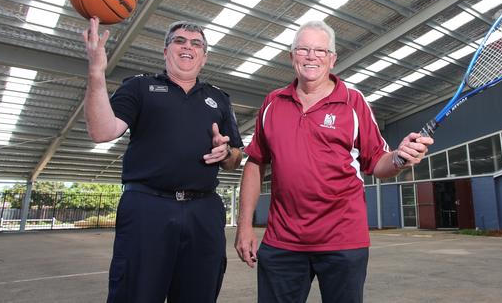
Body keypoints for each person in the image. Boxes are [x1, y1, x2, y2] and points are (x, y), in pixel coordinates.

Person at [234, 20, 433, 303]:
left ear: (332, 58)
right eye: (303, 49)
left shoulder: (353, 102)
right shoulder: (272, 103)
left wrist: (400, 158)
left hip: (342, 240)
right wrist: (244, 227)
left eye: (320, 50)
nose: (311, 56)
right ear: (292, 57)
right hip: (283, 241)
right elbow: (255, 163)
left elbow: (377, 162)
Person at [83, 17, 243, 303]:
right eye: (179, 41)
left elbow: (236, 158)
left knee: (200, 293)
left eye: (196, 44)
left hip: (203, 210)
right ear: (166, 51)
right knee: (136, 293)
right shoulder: (139, 87)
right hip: (148, 208)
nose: (187, 47)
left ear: (204, 57)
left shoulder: (219, 99)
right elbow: (101, 131)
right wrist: (96, 73)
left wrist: (225, 152)